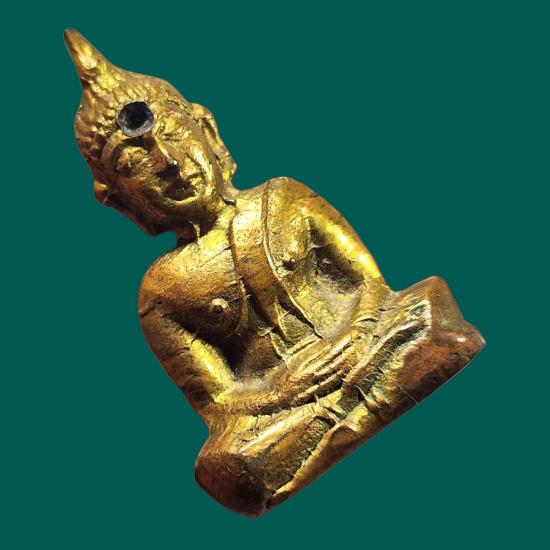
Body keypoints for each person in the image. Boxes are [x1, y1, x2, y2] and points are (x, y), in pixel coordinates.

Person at [65, 29, 484, 516]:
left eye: (177, 133)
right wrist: (281, 392)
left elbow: (369, 284)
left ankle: (337, 421)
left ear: (209, 131)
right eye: (134, 161)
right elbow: (217, 401)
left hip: (361, 343)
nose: (170, 163)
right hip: (282, 401)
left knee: (427, 311)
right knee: (227, 464)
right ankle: (346, 411)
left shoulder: (283, 197)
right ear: (118, 200)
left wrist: (358, 333)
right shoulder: (160, 291)